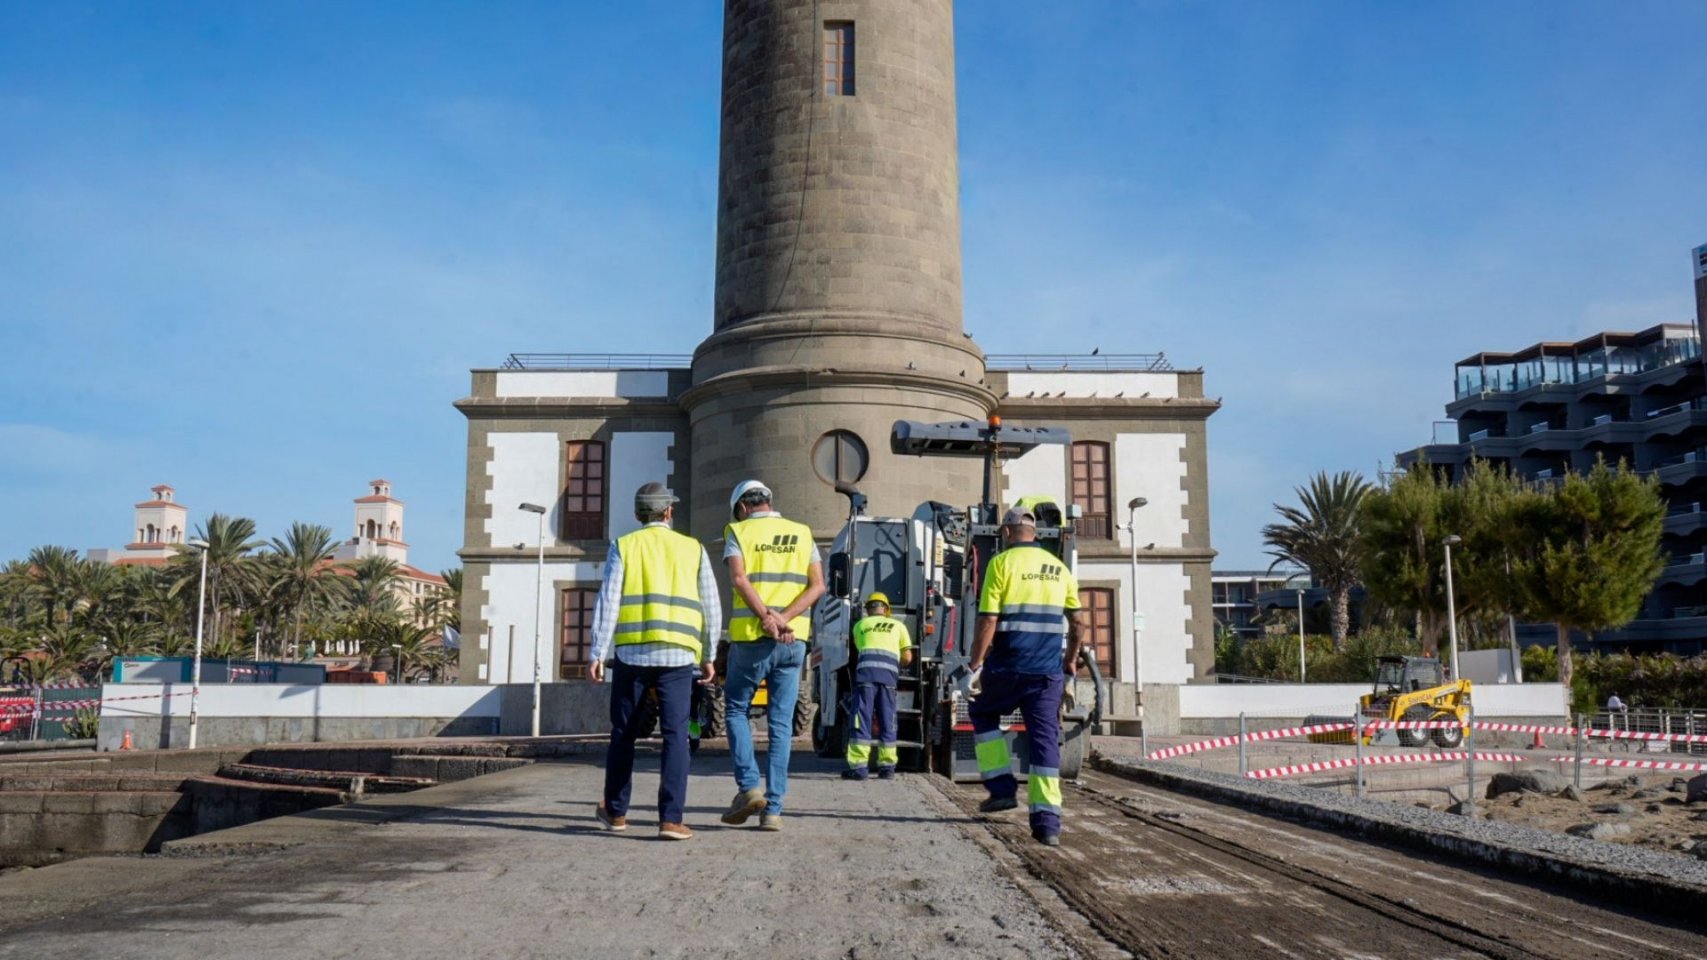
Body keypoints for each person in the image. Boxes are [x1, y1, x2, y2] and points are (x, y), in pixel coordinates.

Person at [587, 482, 721, 841]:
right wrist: (708, 654)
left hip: (632, 653)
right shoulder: (692, 548)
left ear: (637, 514)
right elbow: (711, 604)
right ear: (669, 512)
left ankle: (615, 813)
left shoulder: (625, 545)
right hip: (678, 655)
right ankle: (670, 820)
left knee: (624, 733)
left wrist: (597, 652)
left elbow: (608, 600)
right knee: (676, 735)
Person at [966, 506, 1089, 848]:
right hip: (1047, 675)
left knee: (981, 712)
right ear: (1035, 533)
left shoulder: (1000, 564)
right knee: (1044, 742)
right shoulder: (1060, 569)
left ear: (1006, 533)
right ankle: (1048, 825)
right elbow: (1079, 624)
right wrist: (1070, 663)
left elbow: (988, 621)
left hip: (1006, 668)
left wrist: (975, 666)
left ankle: (1003, 788)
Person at [720, 479, 824, 831]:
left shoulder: (738, 531)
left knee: (735, 709)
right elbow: (818, 586)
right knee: (781, 726)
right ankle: (774, 810)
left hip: (752, 638)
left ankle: (749, 787)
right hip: (792, 642)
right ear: (769, 501)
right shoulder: (803, 533)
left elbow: (738, 579)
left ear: (743, 507)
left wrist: (767, 617)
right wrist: (785, 620)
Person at [842, 592, 914, 781]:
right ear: (887, 610)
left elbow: (858, 648)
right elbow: (907, 657)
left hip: (865, 678)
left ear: (867, 610)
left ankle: (859, 768)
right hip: (888, 680)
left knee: (861, 720)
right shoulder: (899, 626)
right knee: (887, 720)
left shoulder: (860, 625)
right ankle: (887, 768)